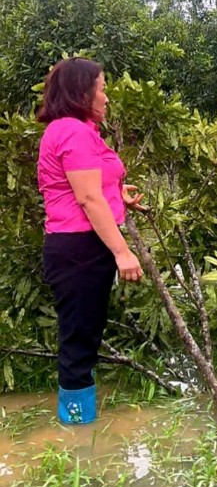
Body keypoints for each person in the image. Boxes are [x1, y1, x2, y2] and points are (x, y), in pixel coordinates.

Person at [37, 58, 145, 425]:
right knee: (79, 342)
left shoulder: (77, 130)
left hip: (80, 247)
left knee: (84, 335)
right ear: (82, 92)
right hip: (78, 250)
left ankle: (82, 427)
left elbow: (90, 187)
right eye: (101, 88)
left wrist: (118, 193)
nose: (106, 97)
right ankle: (77, 433)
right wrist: (122, 251)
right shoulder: (72, 131)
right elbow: (87, 199)